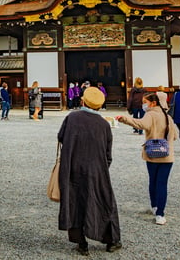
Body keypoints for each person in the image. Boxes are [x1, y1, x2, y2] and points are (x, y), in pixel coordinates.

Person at [57, 87, 122, 255]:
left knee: (75, 202)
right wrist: (102, 167)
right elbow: (108, 154)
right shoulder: (103, 124)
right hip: (97, 170)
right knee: (104, 202)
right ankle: (111, 241)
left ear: (83, 101)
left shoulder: (72, 118)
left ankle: (81, 243)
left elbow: (61, 137)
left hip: (73, 167)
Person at [116, 93, 178, 225]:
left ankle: (155, 206)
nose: (144, 104)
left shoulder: (151, 115)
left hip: (153, 154)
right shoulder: (168, 117)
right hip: (167, 155)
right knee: (162, 183)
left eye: (146, 102)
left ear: (153, 103)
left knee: (153, 181)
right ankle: (160, 214)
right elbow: (175, 136)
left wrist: (124, 119)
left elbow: (140, 124)